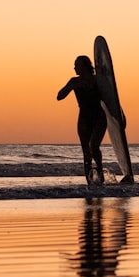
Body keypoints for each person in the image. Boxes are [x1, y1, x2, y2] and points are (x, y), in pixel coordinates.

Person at [57, 55, 107, 184]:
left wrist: (119, 117)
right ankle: (90, 183)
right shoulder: (74, 81)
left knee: (94, 146)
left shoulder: (98, 80)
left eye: (77, 65)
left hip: (99, 116)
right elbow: (59, 96)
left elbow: (111, 98)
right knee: (86, 152)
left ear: (85, 66)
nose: (74, 68)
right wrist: (70, 87)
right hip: (84, 117)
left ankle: (100, 171)